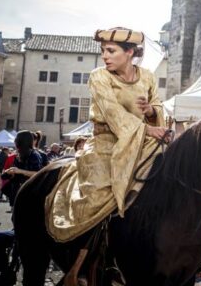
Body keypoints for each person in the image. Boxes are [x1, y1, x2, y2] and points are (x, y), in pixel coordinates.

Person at [46, 27, 168, 243]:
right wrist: (148, 129)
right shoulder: (99, 76)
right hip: (105, 144)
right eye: (103, 50)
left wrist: (151, 111)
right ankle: (84, 256)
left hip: (142, 143)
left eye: (111, 51)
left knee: (175, 173)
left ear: (129, 53)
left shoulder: (147, 77)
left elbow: (157, 104)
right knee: (95, 198)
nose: (104, 56)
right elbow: (112, 113)